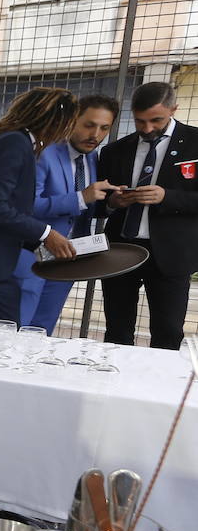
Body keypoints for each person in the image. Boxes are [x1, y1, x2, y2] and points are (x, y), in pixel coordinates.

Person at [0, 88, 80, 324]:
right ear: (57, 121)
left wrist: (39, 244)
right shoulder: (14, 144)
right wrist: (46, 234)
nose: (64, 136)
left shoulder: (11, 142)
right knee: (1, 337)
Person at [98, 81, 198, 350]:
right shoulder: (114, 150)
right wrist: (113, 202)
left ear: (174, 109)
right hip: (120, 249)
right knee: (117, 330)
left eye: (156, 120)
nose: (148, 129)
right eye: (140, 121)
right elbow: (98, 203)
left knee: (167, 331)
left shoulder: (196, 143)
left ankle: (158, 390)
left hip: (171, 254)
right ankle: (112, 385)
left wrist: (167, 197)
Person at [12, 94, 120, 333]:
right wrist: (81, 197)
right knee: (19, 327)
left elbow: (88, 206)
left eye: (104, 128)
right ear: (72, 120)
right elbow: (27, 206)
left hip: (69, 257)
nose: (95, 135)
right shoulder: (43, 152)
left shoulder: (93, 157)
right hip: (32, 255)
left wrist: (112, 202)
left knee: (43, 329)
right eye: (89, 125)